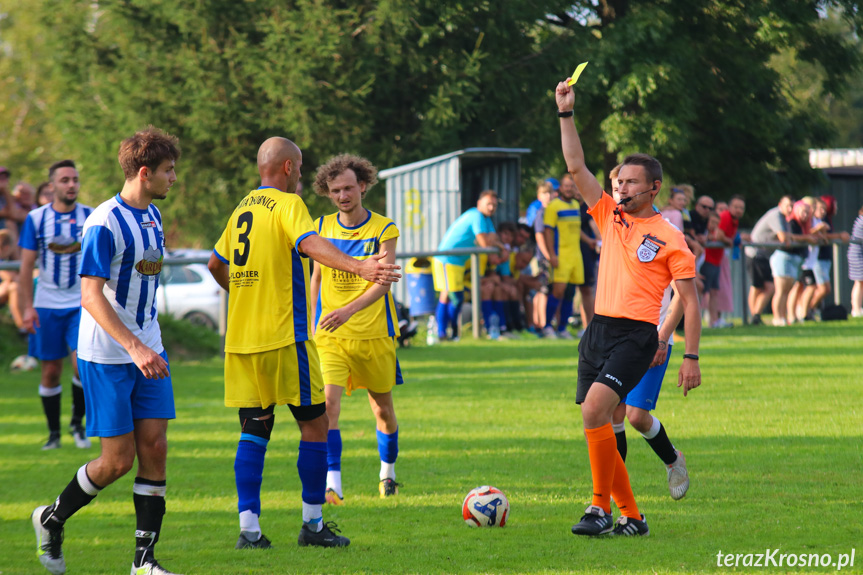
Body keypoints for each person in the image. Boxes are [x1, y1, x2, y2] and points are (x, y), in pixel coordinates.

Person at [207, 137, 401, 550]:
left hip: (242, 341)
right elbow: (309, 244)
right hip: (285, 337)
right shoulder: (288, 205)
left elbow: (215, 264)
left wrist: (243, 298)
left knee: (253, 430)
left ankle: (249, 531)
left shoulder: (242, 206)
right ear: (290, 168)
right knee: (315, 426)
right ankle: (312, 524)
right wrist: (358, 267)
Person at [31, 127, 183, 575]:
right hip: (110, 356)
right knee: (117, 461)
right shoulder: (103, 222)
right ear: (144, 172)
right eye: (168, 171)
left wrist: (148, 341)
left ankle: (144, 561)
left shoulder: (152, 215)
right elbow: (91, 295)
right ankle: (51, 518)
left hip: (149, 351)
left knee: (155, 447)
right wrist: (135, 347)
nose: (174, 178)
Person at [557, 77, 701, 538]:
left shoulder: (670, 237)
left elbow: (690, 302)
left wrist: (690, 357)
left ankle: (599, 508)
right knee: (603, 421)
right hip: (598, 330)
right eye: (618, 180)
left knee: (596, 412)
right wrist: (566, 112)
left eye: (631, 181)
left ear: (654, 188)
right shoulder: (608, 216)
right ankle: (633, 517)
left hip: (638, 335)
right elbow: (575, 164)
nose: (620, 187)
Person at [307, 154, 403, 506]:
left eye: (348, 187)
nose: (343, 195)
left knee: (383, 411)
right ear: (328, 194)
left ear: (362, 186)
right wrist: (313, 322)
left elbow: (383, 283)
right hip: (332, 335)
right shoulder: (320, 228)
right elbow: (316, 277)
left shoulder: (384, 229)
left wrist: (346, 310)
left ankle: (387, 473)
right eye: (335, 191)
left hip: (375, 333)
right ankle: (334, 484)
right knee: (328, 407)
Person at [18, 160, 94, 450]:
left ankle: (78, 425)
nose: (71, 184)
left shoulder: (90, 216)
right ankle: (53, 434)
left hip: (81, 303)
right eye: (64, 180)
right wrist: (27, 306)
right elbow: (26, 267)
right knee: (50, 370)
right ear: (52, 186)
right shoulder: (36, 219)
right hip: (46, 305)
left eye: (75, 179)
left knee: (81, 366)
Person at [432, 190, 507, 340]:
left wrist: (497, 244)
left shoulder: (486, 219)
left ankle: (447, 334)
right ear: (479, 204)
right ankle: (443, 332)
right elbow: (486, 243)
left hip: (458, 262)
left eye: (494, 205)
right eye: (488, 204)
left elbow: (493, 239)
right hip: (447, 259)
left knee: (450, 296)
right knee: (453, 297)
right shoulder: (476, 216)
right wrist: (498, 245)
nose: (491, 207)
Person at [542, 173, 585, 339]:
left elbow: (577, 230)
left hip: (576, 255)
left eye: (572, 186)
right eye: (566, 186)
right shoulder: (554, 206)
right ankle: (546, 327)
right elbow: (548, 231)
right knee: (557, 291)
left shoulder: (575, 204)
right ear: (560, 188)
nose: (569, 189)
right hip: (561, 255)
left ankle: (562, 328)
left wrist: (590, 241)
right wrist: (551, 254)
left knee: (571, 293)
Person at [745, 196, 793, 325]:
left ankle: (755, 317)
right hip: (755, 253)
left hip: (764, 255)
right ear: (780, 204)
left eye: (792, 206)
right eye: (787, 205)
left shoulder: (784, 218)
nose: (790, 209)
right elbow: (784, 238)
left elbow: (787, 238)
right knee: (761, 287)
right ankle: (755, 316)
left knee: (763, 287)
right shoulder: (776, 215)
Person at [772, 200, 814, 326]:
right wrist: (806, 238)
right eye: (803, 211)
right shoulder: (791, 222)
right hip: (784, 257)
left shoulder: (804, 225)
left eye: (807, 212)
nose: (805, 214)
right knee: (780, 290)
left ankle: (783, 317)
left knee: (787, 290)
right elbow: (789, 236)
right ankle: (777, 318)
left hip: (794, 259)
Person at [848, 205, 863, 318]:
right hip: (857, 255)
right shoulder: (861, 221)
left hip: (857, 255)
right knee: (859, 282)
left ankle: (857, 308)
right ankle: (856, 309)